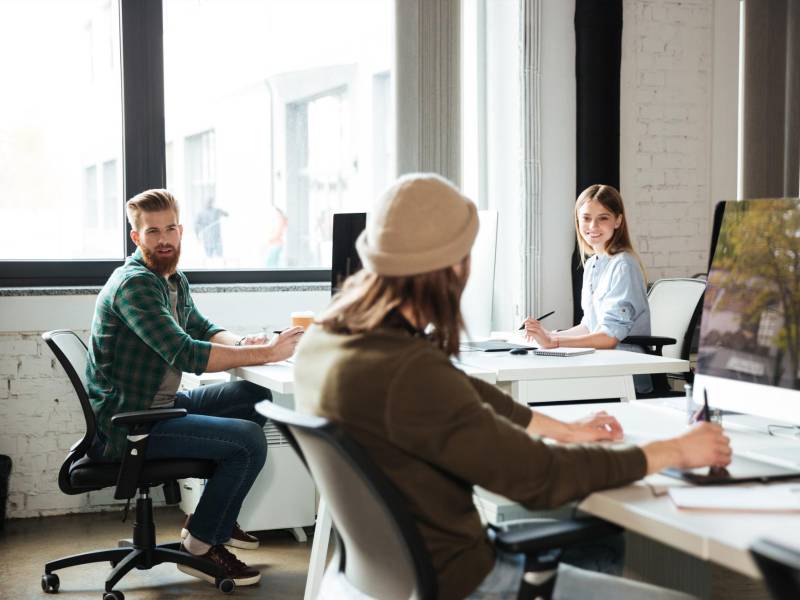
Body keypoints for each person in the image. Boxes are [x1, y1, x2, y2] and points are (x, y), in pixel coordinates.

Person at [292, 173, 731, 600]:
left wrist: (567, 429)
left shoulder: (326, 341)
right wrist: (673, 451)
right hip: (467, 582)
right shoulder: (409, 373)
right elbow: (542, 477)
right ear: (452, 267)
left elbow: (462, 390)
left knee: (599, 541)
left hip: (378, 579)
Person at [86, 189, 304, 587]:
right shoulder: (135, 285)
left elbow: (202, 328)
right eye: (153, 232)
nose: (164, 239)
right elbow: (186, 353)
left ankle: (206, 521)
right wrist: (269, 353)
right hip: (132, 422)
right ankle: (200, 548)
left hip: (159, 403)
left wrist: (243, 345)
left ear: (182, 230)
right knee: (249, 440)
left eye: (170, 228)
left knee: (252, 397)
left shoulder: (171, 279)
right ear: (136, 238)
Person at [522, 184, 652, 392]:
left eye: (603, 218)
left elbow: (609, 338)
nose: (593, 226)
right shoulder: (593, 264)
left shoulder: (623, 265)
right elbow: (590, 326)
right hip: (600, 364)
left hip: (623, 373)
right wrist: (549, 335)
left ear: (618, 220)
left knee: (542, 391)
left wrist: (554, 342)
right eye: (586, 218)